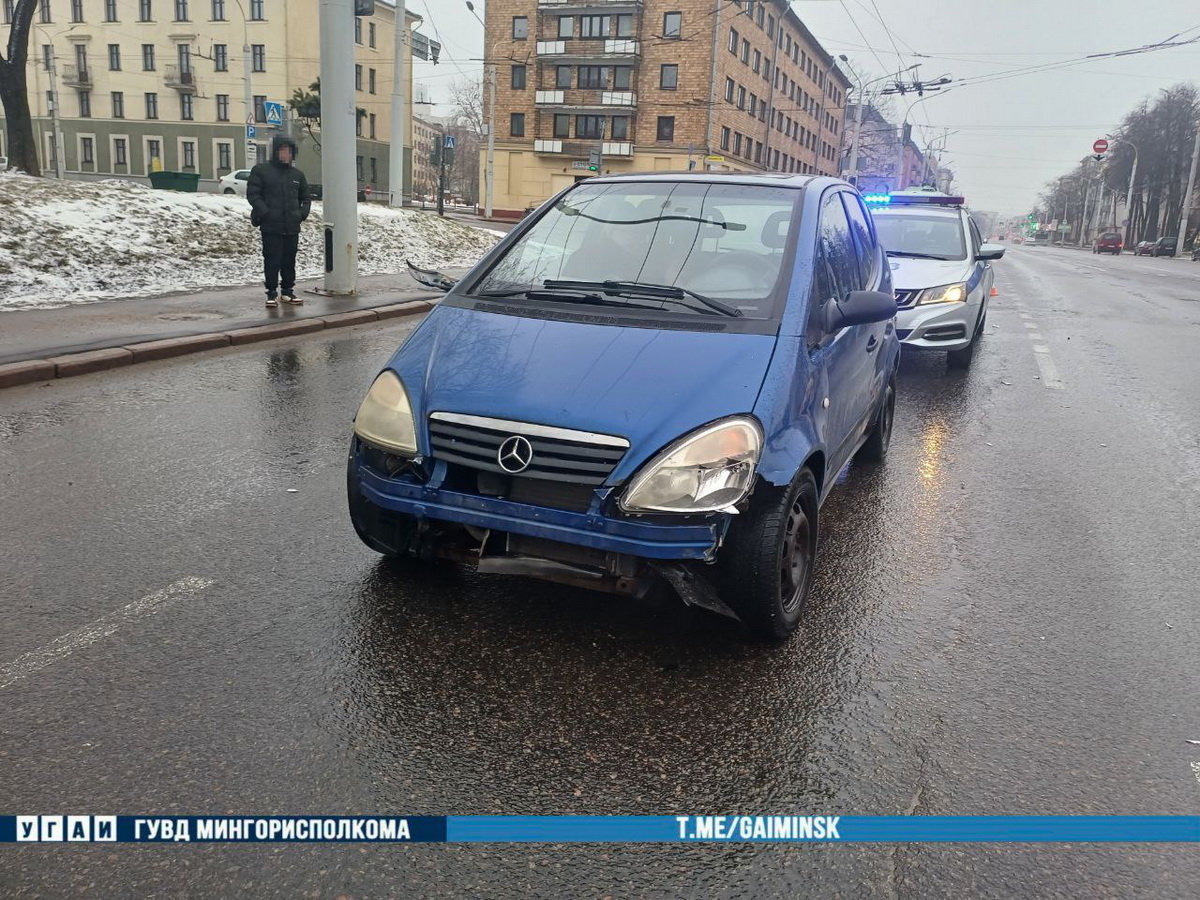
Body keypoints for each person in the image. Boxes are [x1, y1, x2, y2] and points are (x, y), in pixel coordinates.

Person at [247, 134, 311, 307]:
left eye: (289, 152)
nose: (285, 155)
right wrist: (265, 212)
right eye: (282, 151)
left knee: (289, 260)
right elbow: (253, 194)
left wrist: (301, 214)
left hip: (291, 226)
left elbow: (305, 197)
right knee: (272, 259)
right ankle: (271, 292)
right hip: (271, 226)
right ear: (275, 152)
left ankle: (288, 291)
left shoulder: (297, 174)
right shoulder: (262, 171)